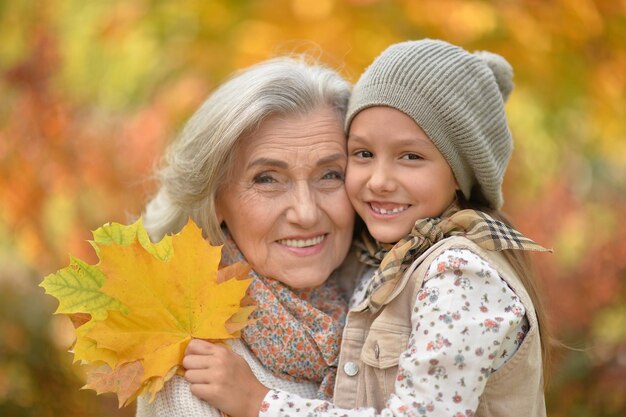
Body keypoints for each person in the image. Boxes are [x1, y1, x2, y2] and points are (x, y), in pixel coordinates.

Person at [187, 39, 552, 417]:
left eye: (410, 156)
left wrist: (258, 403)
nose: (378, 180)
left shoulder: (460, 273)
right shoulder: (385, 258)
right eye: (363, 153)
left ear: (460, 174)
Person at [135, 56, 356, 417]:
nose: (306, 212)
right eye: (267, 179)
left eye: (330, 174)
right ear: (215, 202)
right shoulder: (192, 362)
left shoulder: (407, 307)